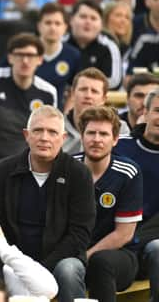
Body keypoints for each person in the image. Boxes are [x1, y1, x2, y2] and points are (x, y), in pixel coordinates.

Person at [0, 106, 95, 302]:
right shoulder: (3, 170)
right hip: (14, 256)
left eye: (52, 132)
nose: (44, 137)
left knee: (69, 270)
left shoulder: (79, 174)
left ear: (63, 139)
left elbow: (80, 234)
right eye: (38, 130)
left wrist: (41, 267)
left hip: (62, 258)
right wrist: (17, 261)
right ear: (27, 135)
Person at [71, 106, 142, 302]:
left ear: (115, 139)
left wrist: (85, 257)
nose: (96, 139)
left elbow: (124, 234)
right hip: (74, 251)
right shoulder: (67, 168)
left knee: (101, 262)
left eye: (103, 134)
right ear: (82, 135)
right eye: (91, 133)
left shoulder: (128, 172)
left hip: (120, 255)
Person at [0, 33, 57, 160]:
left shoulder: (48, 92)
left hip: (27, 163)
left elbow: (50, 136)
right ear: (10, 58)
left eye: (30, 55)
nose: (25, 60)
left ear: (40, 59)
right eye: (19, 55)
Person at [114, 88, 159, 302]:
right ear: (146, 113)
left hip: (148, 243)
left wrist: (136, 237)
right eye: (158, 110)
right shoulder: (119, 145)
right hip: (111, 236)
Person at [63, 67, 130, 155]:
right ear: (72, 93)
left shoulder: (120, 128)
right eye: (83, 89)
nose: (88, 96)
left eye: (94, 91)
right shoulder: (57, 126)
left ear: (104, 99)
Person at [64, 0, 122, 89]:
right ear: (71, 20)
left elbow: (114, 82)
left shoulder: (109, 47)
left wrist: (82, 89)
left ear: (101, 24)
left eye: (93, 18)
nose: (88, 22)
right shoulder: (60, 44)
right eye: (83, 17)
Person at [34, 2, 81, 108]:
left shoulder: (73, 55)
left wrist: (64, 116)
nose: (52, 28)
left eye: (57, 23)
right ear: (39, 26)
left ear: (65, 27)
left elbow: (75, 91)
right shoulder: (25, 51)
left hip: (56, 116)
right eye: (48, 23)